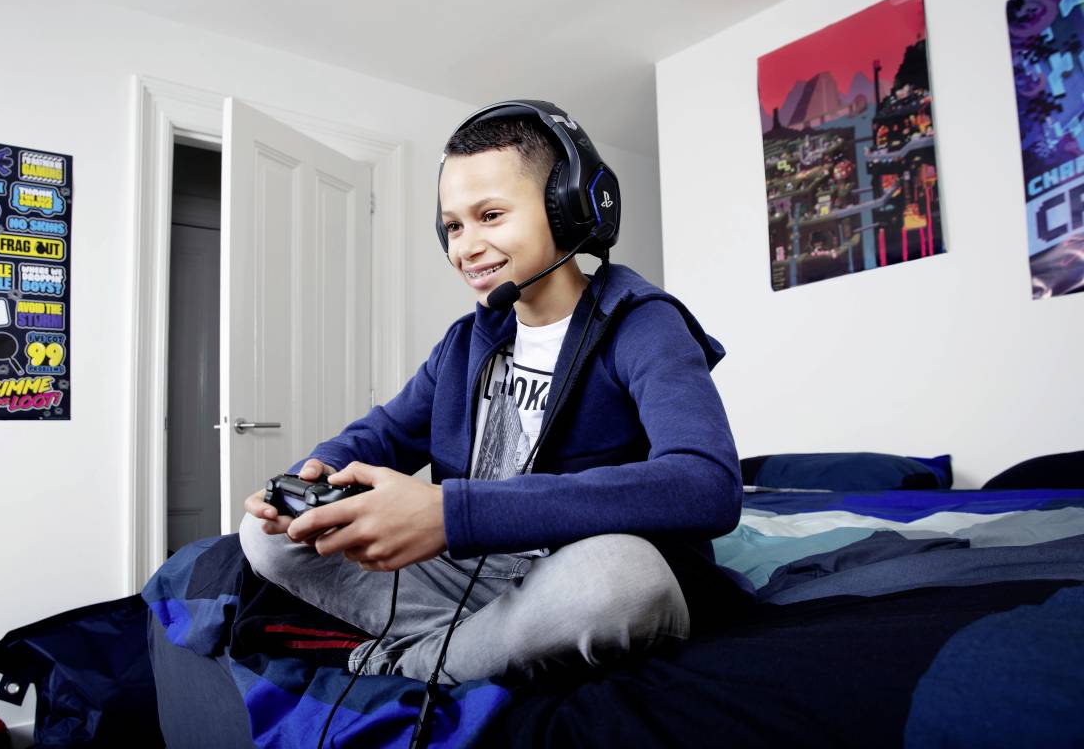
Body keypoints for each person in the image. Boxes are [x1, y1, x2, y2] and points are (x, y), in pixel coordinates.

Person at [240, 100, 744, 687]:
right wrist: (312, 478)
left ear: (569, 208)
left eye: (491, 215)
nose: (466, 247)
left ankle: (417, 659)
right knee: (266, 538)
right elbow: (386, 433)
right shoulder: (467, 341)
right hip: (478, 566)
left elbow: (706, 484)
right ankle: (488, 642)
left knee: (620, 578)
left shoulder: (642, 324)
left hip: (575, 566)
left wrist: (453, 514)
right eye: (453, 225)